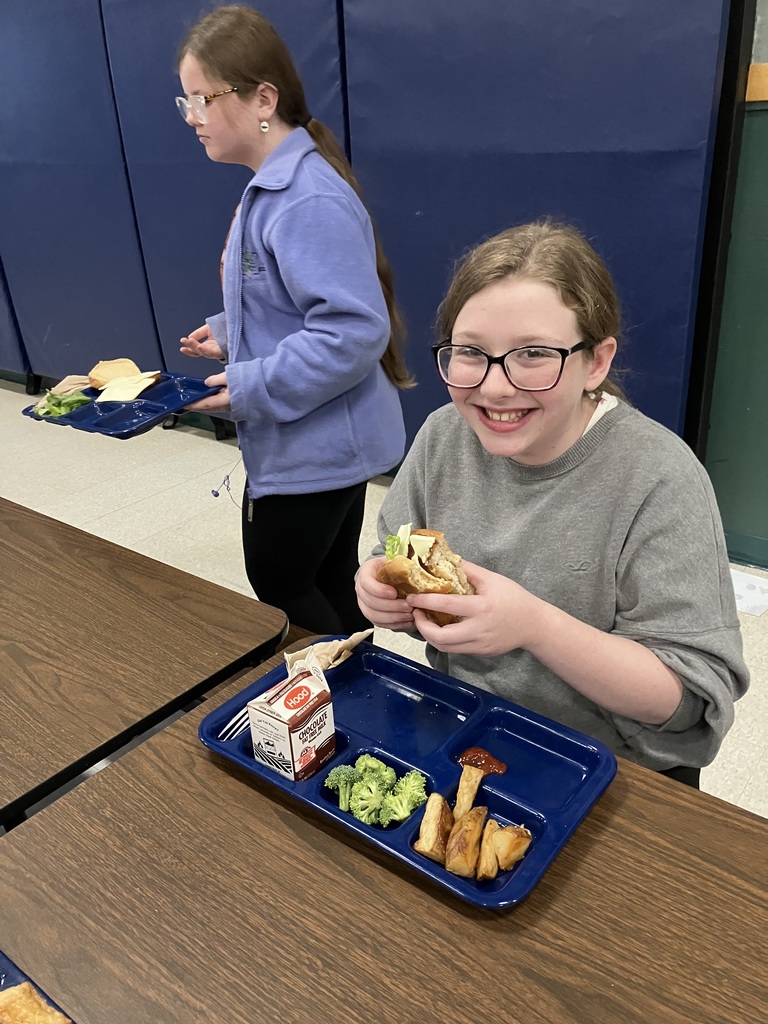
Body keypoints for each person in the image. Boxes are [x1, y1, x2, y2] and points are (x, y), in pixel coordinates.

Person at [356, 220, 749, 787]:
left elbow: (686, 701)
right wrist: (381, 591)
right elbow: (393, 553)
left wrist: (534, 627)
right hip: (468, 734)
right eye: (471, 352)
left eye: (534, 354)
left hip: (607, 773)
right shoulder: (444, 435)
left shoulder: (660, 477)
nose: (494, 388)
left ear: (596, 361)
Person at [175, 5, 411, 635]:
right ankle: (352, 700)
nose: (193, 119)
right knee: (329, 580)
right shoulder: (277, 185)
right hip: (318, 433)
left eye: (203, 99)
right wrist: (229, 331)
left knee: (281, 584)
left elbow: (353, 330)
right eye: (186, 102)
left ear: (263, 99)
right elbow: (290, 296)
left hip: (319, 442)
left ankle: (331, 698)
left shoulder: (303, 198)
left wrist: (249, 386)